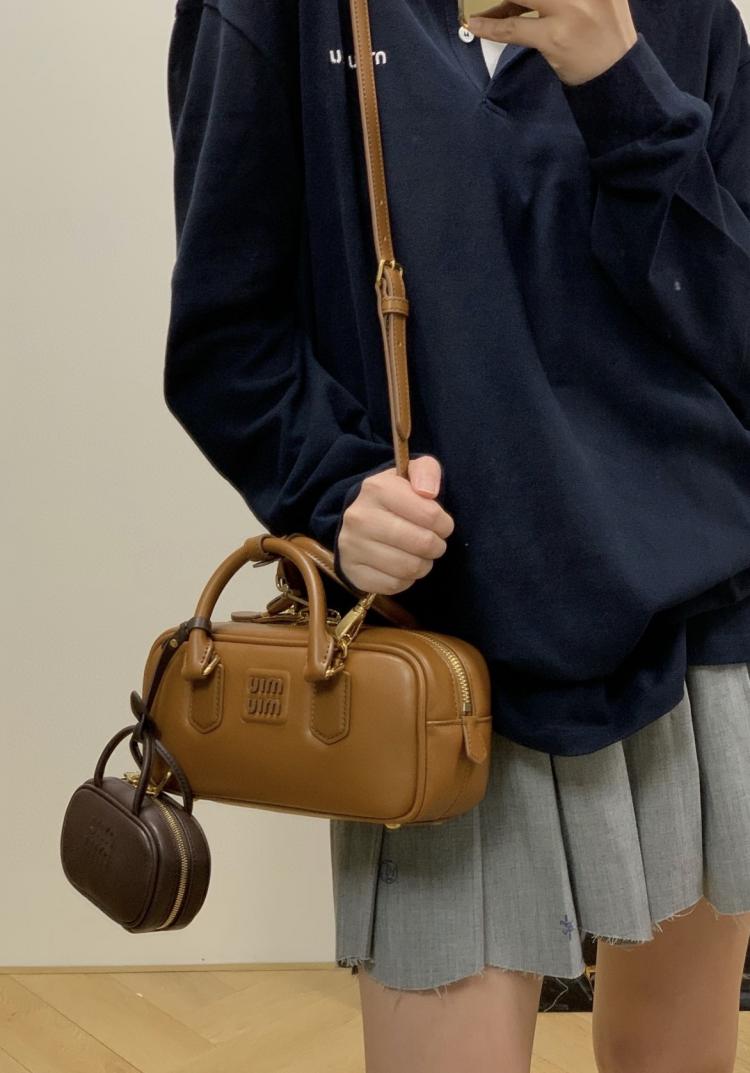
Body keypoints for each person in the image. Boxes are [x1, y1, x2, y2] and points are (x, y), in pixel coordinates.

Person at [163, 0, 750, 1069]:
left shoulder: (682, 13)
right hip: (450, 657)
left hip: (701, 623)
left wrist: (617, 78)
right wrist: (334, 493)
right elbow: (225, 338)